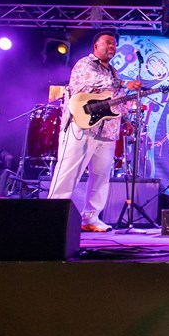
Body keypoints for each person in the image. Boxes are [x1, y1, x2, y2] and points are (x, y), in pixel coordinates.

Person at [47, 31, 141, 232]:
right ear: (95, 47)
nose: (111, 47)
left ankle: (91, 218)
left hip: (107, 130)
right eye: (107, 42)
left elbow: (117, 99)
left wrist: (126, 119)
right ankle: (53, 214)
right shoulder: (85, 64)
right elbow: (94, 81)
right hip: (82, 126)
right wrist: (124, 83)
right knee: (68, 171)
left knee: (100, 176)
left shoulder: (114, 72)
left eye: (114, 44)